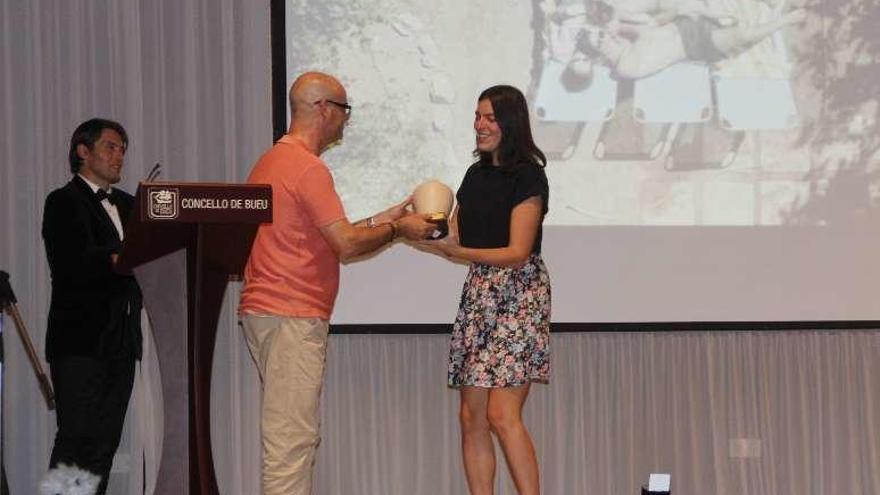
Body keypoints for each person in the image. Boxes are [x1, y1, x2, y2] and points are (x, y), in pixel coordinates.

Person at [238, 71, 436, 495]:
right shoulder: (307, 168)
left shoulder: (272, 161)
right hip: (291, 314)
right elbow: (346, 245)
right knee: (292, 443)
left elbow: (327, 236)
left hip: (271, 311)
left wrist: (387, 219)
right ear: (324, 109)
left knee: (290, 437)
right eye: (345, 110)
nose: (347, 120)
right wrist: (399, 230)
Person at [419, 85, 551, 495]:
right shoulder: (475, 174)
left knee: (501, 414)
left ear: (510, 123)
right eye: (477, 117)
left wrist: (457, 250)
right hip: (480, 294)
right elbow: (455, 230)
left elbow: (517, 252)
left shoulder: (528, 174)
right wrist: (424, 223)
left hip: (519, 294)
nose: (480, 125)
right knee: (470, 415)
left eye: (489, 118)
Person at [42, 118, 143, 495]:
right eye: (111, 147)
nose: (119, 157)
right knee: (75, 443)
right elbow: (73, 261)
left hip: (121, 342)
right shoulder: (63, 201)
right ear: (83, 152)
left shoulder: (133, 205)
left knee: (104, 446)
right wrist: (120, 256)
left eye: (122, 150)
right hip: (80, 343)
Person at [574, 5, 805, 79]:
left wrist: (620, 25)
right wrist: (623, 28)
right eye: (600, 40)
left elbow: (653, 25)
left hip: (687, 20)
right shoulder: (625, 66)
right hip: (698, 43)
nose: (607, 36)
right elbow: (650, 37)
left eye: (602, 33)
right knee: (742, 36)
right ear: (598, 56)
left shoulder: (621, 43)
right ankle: (788, 19)